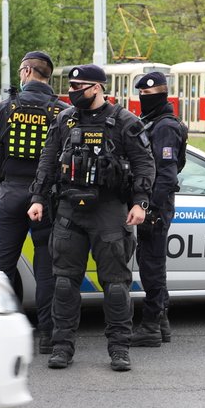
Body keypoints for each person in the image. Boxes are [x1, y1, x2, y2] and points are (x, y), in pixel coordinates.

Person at [28, 64, 155, 372]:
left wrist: (140, 203)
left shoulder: (124, 122)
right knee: (64, 283)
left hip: (109, 212)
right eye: (71, 86)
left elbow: (144, 164)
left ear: (97, 88)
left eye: (79, 87)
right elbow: (47, 160)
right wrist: (38, 198)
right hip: (70, 210)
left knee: (114, 285)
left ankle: (119, 348)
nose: (73, 92)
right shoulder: (65, 119)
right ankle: (62, 346)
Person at [0, 51, 68, 354]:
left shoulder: (4, 108)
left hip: (11, 193)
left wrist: (2, 176)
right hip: (45, 197)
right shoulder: (61, 112)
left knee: (3, 266)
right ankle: (47, 335)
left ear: (28, 71)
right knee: (46, 269)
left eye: (21, 70)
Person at [131, 71, 188, 347]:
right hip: (154, 203)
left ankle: (151, 326)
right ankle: (161, 322)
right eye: (141, 95)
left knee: (152, 266)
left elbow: (166, 175)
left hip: (157, 205)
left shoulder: (165, 126)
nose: (144, 100)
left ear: (163, 95)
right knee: (151, 263)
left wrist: (150, 207)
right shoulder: (154, 122)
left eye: (148, 96)